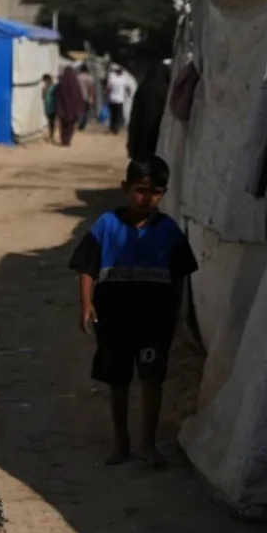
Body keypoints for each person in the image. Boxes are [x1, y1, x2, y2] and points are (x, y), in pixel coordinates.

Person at [70, 156, 198, 469]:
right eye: (140, 190)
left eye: (155, 192)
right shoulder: (106, 226)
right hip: (114, 318)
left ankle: (148, 444)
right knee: (119, 381)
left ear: (163, 193)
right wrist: (86, 303)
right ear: (126, 188)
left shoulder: (169, 231)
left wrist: (178, 312)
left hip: (155, 320)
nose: (147, 198)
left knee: (152, 379)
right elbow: (87, 266)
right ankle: (121, 443)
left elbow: (181, 274)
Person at [54, 67, 87, 147]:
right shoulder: (75, 84)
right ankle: (68, 140)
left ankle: (64, 140)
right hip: (73, 109)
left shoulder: (61, 83)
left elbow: (56, 95)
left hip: (62, 108)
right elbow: (79, 97)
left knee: (63, 125)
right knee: (71, 125)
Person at [106, 65, 134, 135]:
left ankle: (112, 127)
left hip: (112, 99)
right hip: (120, 100)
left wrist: (107, 95)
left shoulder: (112, 79)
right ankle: (116, 128)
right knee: (118, 115)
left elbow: (108, 88)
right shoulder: (123, 79)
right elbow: (128, 88)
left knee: (113, 114)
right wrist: (129, 94)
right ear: (121, 72)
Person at [76, 63, 97, 132]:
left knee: (79, 111)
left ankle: (80, 124)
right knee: (85, 111)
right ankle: (82, 125)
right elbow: (91, 88)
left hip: (78, 97)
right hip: (86, 97)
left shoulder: (77, 77)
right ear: (86, 70)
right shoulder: (89, 78)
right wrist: (91, 97)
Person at [41, 74, 59, 144]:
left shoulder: (54, 87)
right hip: (47, 107)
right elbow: (42, 97)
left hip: (53, 106)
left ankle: (52, 135)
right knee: (50, 121)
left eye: (46, 80)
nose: (45, 82)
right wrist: (43, 91)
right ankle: (51, 135)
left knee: (52, 121)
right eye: (44, 81)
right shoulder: (44, 88)